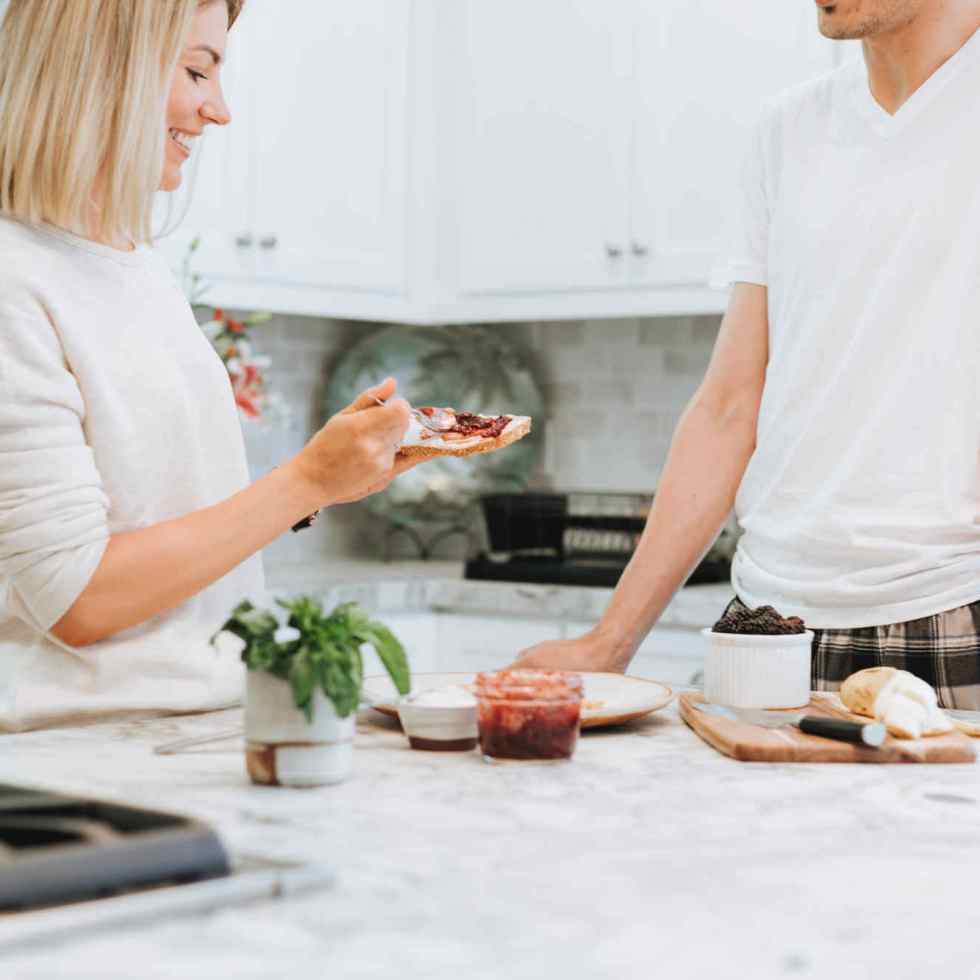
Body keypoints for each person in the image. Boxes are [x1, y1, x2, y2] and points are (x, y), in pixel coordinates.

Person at [517, 0, 980, 706]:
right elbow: (728, 408)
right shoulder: (788, 131)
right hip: (763, 618)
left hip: (952, 606)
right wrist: (608, 642)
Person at [0, 0, 419, 732]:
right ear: (102, 68)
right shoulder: (14, 277)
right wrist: (306, 480)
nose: (217, 111)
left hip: (194, 731)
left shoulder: (137, 267)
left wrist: (332, 476)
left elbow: (166, 512)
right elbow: (77, 599)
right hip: (80, 760)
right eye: (198, 71)